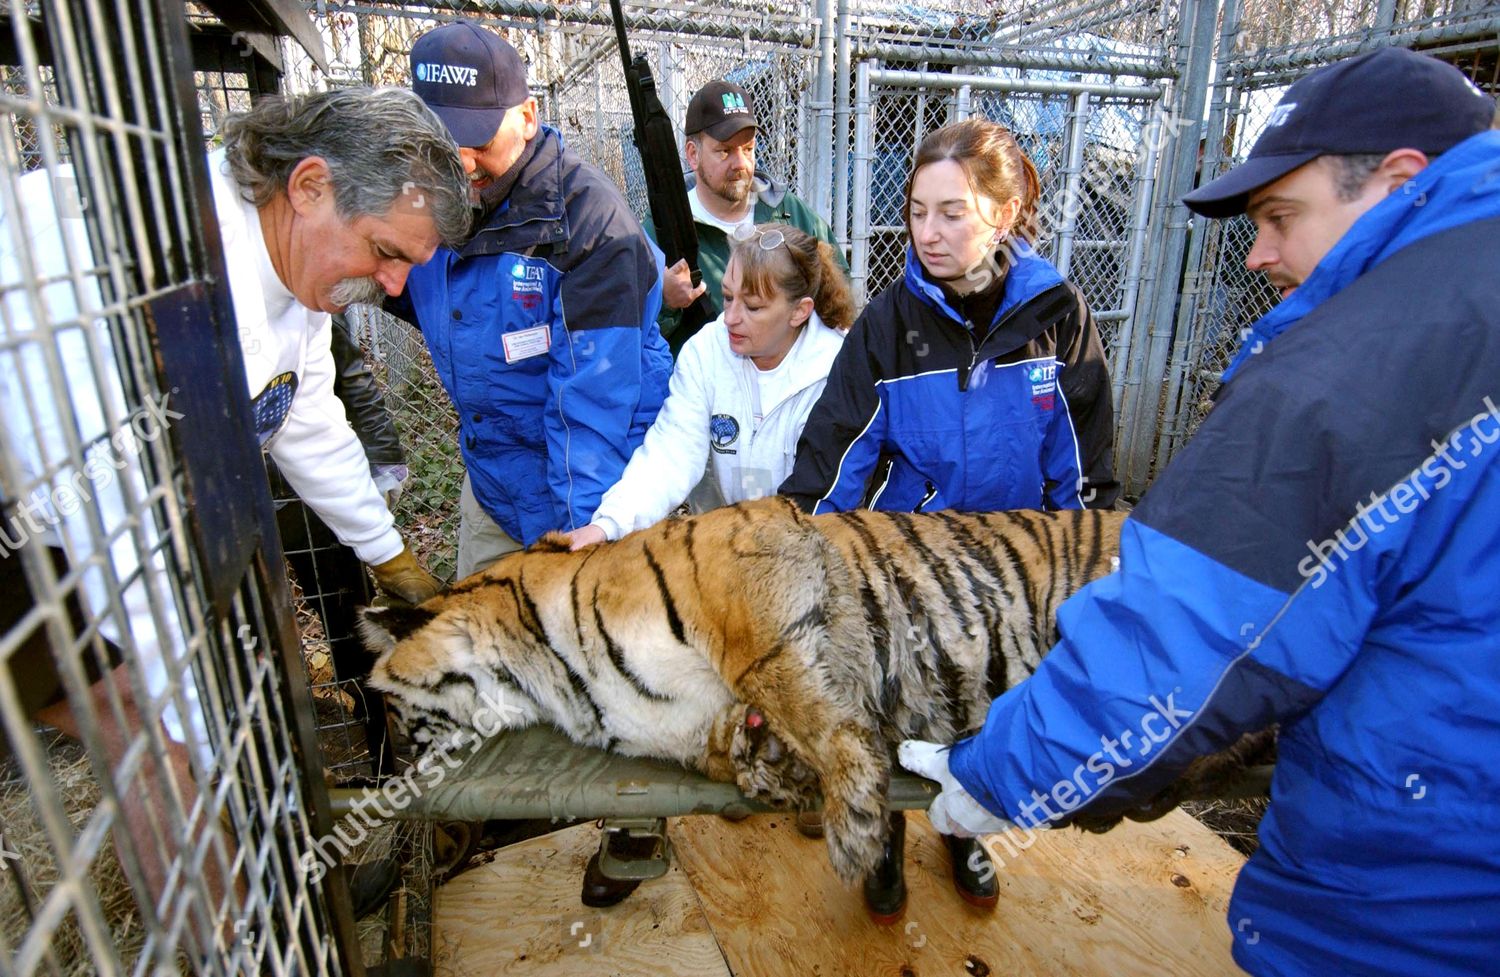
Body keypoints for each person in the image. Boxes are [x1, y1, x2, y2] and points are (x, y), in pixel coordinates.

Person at [898, 48, 1500, 977]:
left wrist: (1000, 773)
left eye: (1279, 217)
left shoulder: (1365, 364)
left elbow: (1183, 648)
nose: (1259, 254)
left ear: (1398, 183)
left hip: (1421, 892)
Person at [0, 85, 468, 934]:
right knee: (147, 726)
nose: (396, 283)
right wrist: (215, 753)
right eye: (386, 251)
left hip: (88, 511)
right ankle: (252, 935)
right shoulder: (151, 279)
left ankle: (266, 909)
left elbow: (304, 405)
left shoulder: (285, 272)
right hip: (43, 507)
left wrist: (387, 552)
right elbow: (120, 547)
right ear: (310, 186)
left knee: (160, 724)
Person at [777, 117, 1119, 922]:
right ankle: (892, 833)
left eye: (952, 212)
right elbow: (834, 458)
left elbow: (1085, 475)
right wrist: (784, 564)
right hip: (909, 568)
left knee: (991, 707)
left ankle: (967, 828)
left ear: (1002, 216)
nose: (927, 233)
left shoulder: (1058, 316)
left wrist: (1091, 591)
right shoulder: (889, 324)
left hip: (1011, 575)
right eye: (918, 212)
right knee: (902, 702)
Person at [397, 22, 672, 578]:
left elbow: (592, 412)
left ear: (527, 115)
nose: (461, 160)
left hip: (594, 488)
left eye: (477, 137)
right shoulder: (420, 197)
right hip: (495, 484)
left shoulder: (591, 224)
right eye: (440, 141)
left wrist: (579, 549)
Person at [565, 222, 852, 550]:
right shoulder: (706, 351)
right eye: (728, 297)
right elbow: (670, 452)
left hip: (812, 547)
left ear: (799, 312)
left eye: (753, 306)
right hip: (727, 544)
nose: (730, 317)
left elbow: (826, 495)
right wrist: (608, 524)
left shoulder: (837, 369)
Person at [652, 79, 848, 355]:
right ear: (693, 155)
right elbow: (629, 337)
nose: (741, 163)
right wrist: (665, 302)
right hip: (703, 392)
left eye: (748, 149)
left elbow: (839, 302)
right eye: (724, 151)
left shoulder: (792, 215)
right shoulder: (660, 230)